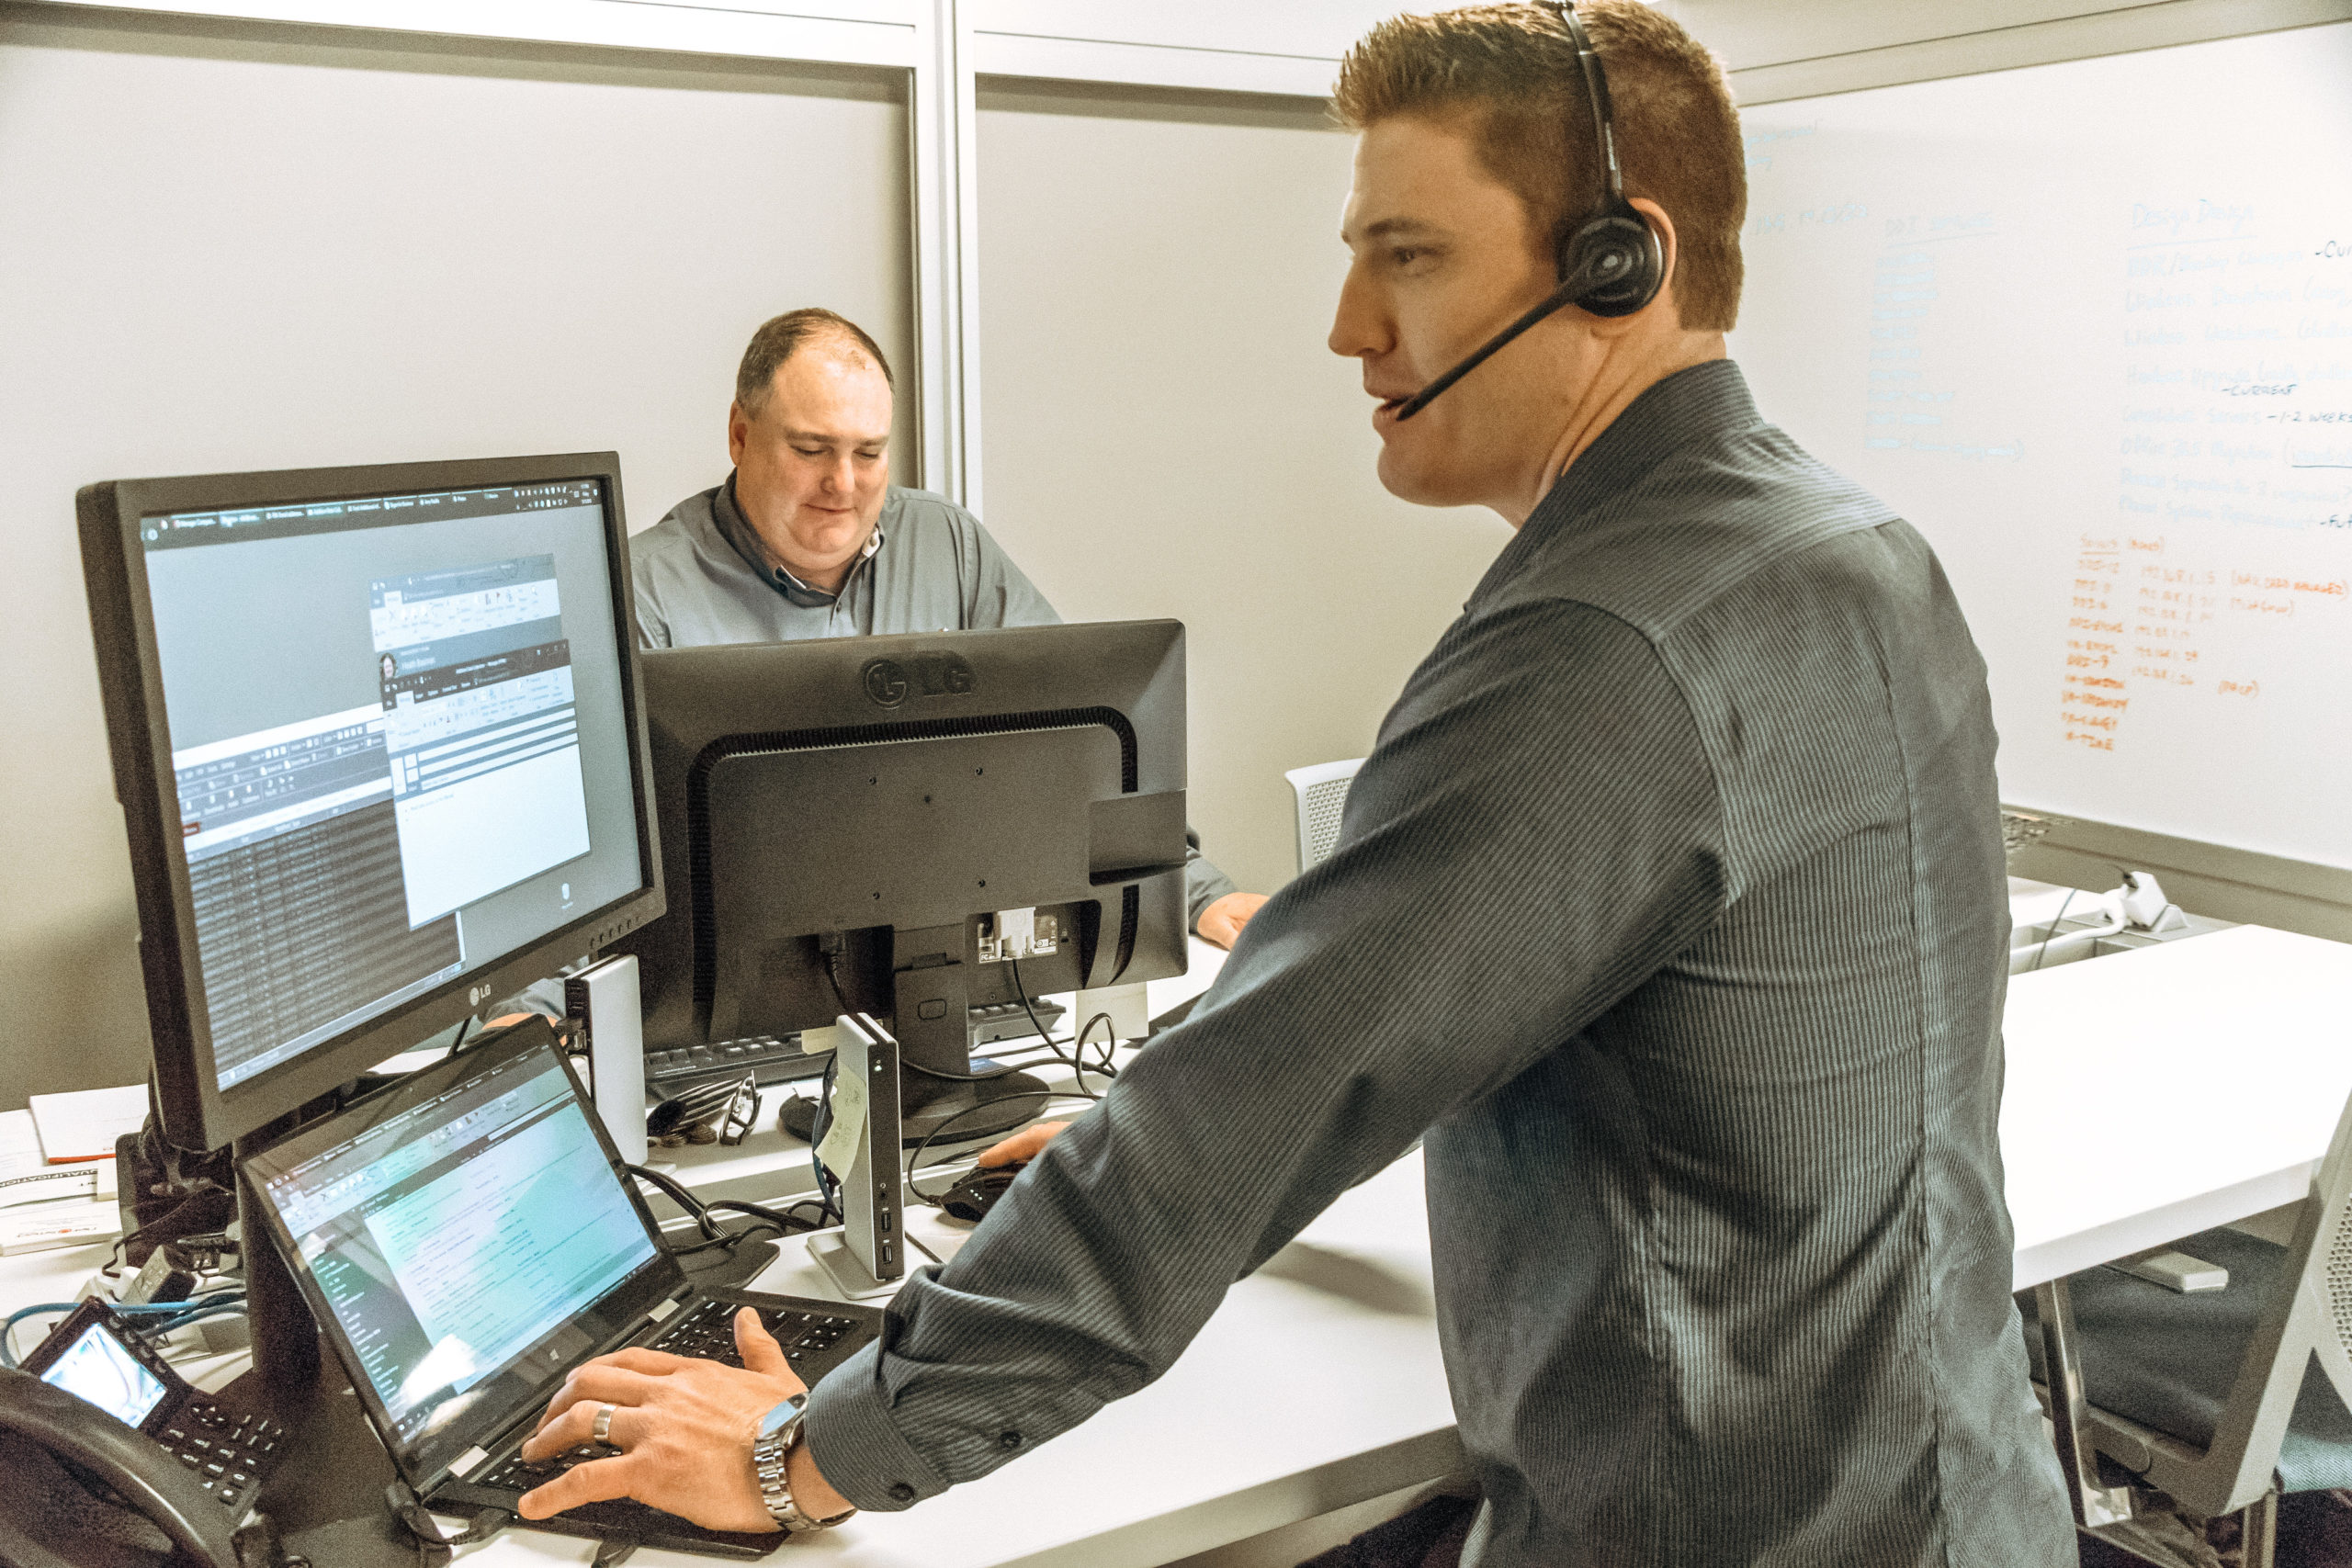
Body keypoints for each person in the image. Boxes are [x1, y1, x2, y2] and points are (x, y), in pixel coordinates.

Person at [512, 6, 2075, 1565]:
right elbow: (1402, 1009)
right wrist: (1184, 1098)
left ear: (1620, 264)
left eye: (1408, 256)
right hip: (1956, 1498)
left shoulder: (1601, 645)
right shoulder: (1852, 553)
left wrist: (803, 1457)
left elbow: (1250, 1120)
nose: (1347, 324)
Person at [632, 306, 1263, 948]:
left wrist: (1196, 891)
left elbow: (1078, 747)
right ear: (740, 435)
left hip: (944, 951)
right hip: (741, 973)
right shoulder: (647, 594)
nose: (842, 483)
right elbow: (610, 868)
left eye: (869, 453)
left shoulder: (946, 545)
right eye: (811, 449)